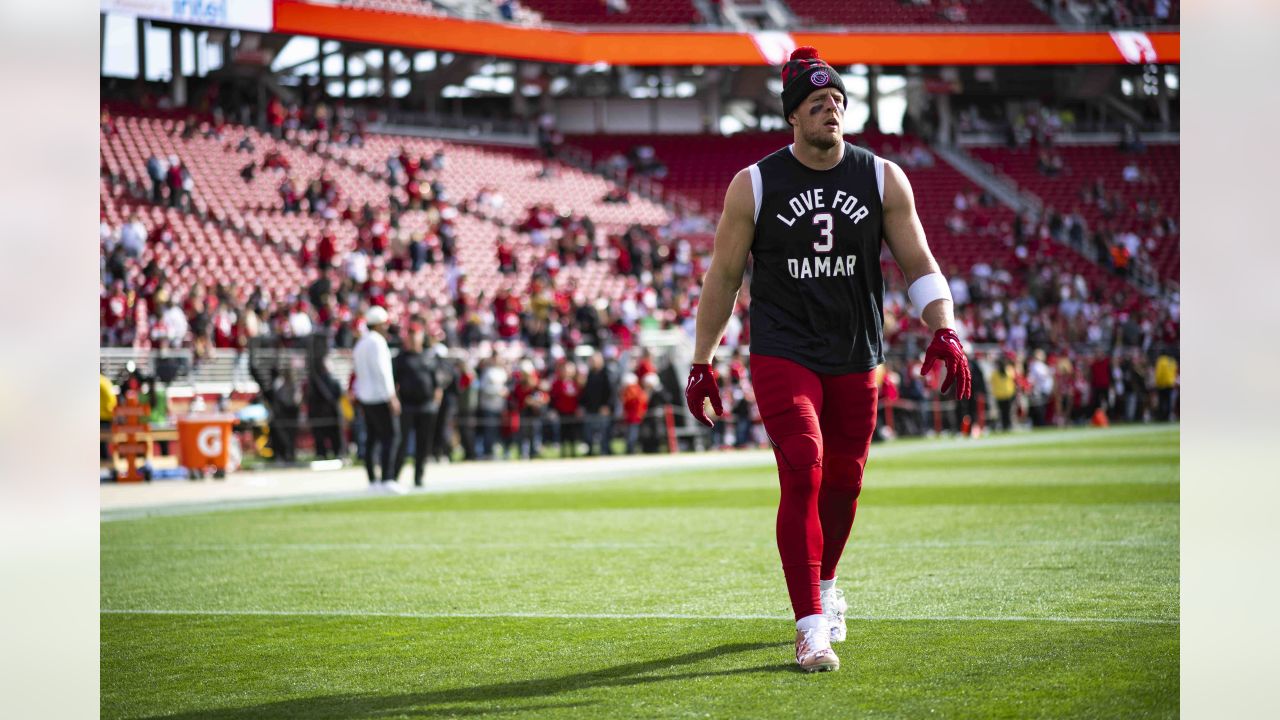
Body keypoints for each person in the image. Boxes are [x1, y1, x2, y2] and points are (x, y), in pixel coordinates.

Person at [683, 46, 971, 673]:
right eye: (818, 104)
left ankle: (827, 583)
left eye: (838, 102)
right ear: (794, 116)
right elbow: (723, 276)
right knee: (806, 468)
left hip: (856, 351)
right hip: (784, 350)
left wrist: (944, 329)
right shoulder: (755, 184)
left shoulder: (881, 176)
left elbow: (918, 262)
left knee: (846, 481)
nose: (832, 112)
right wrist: (701, 361)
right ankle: (810, 627)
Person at [352, 306, 403, 491]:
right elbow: (383, 372)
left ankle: (373, 479)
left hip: (365, 398)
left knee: (372, 439)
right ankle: (387, 478)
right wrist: (391, 396)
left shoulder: (361, 343)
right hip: (380, 397)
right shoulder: (378, 342)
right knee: (391, 437)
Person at [392, 317, 442, 486]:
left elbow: (438, 385)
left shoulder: (429, 357)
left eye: (416, 334)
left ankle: (419, 477)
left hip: (426, 406)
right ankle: (394, 477)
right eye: (411, 334)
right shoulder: (400, 358)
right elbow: (393, 384)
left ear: (422, 336)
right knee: (402, 444)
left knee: (423, 444)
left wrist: (435, 404)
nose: (413, 337)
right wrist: (396, 401)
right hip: (407, 406)